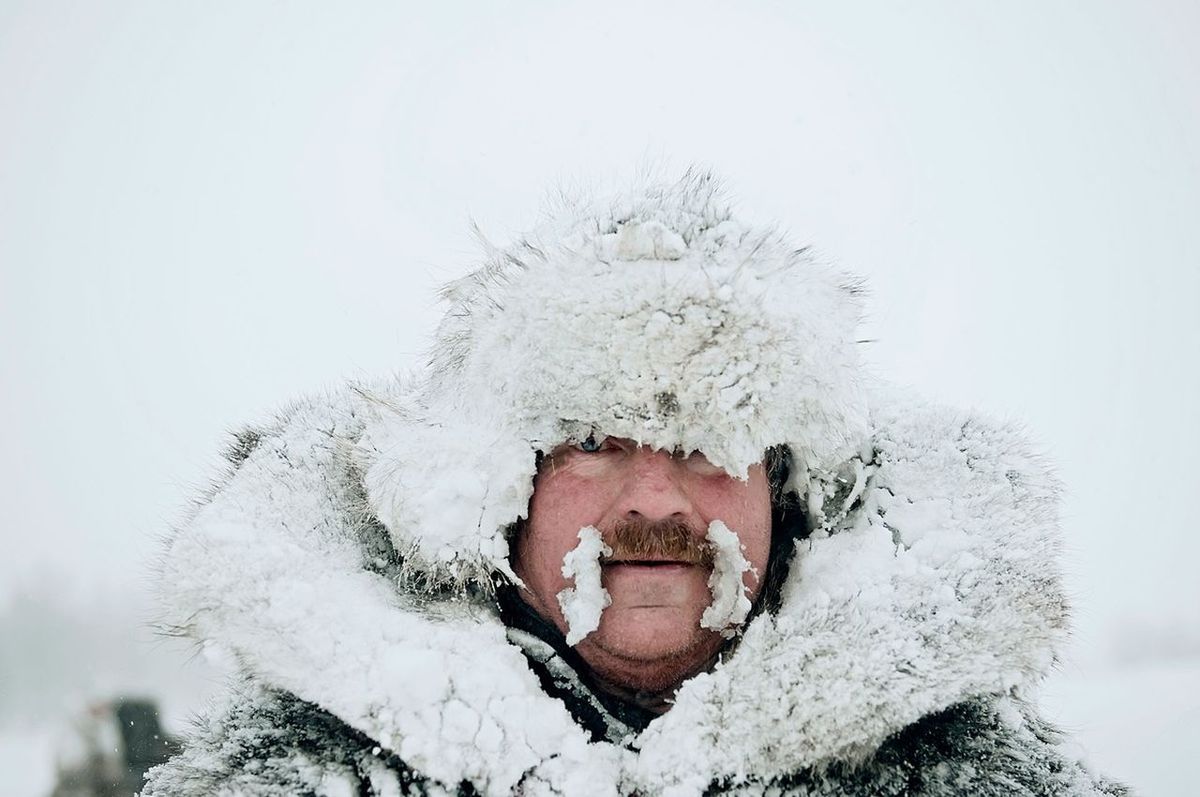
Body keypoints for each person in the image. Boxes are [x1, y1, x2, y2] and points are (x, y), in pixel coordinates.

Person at [144, 170, 1128, 796]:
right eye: (593, 440)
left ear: (782, 496)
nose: (655, 498)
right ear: (495, 490)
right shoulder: (298, 773)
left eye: (712, 440)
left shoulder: (963, 775)